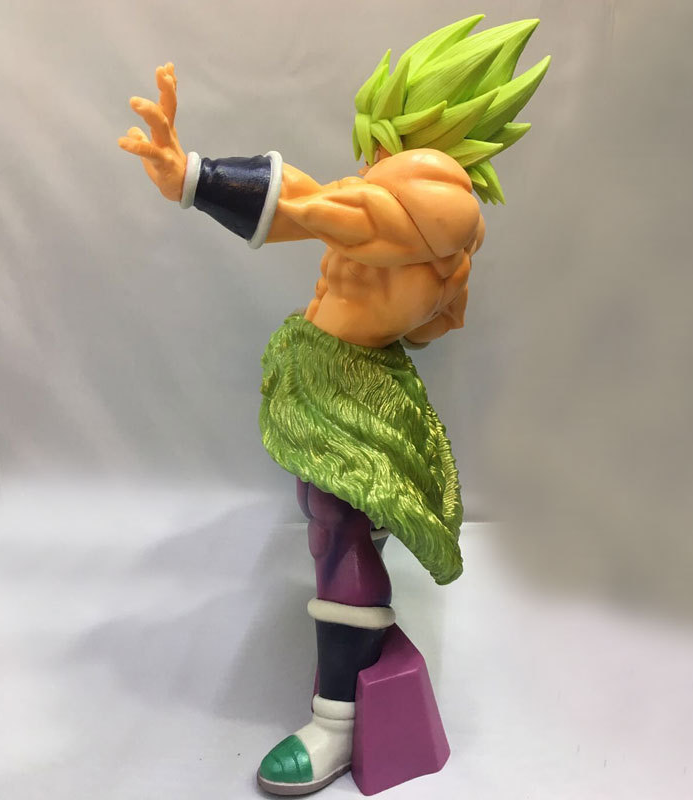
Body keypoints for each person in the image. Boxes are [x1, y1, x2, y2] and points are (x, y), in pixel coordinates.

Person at [119, 15, 548, 795]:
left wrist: (196, 178)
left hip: (354, 375)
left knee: (337, 523)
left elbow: (322, 210)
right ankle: (354, 603)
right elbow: (356, 236)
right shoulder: (406, 183)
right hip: (327, 362)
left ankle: (338, 724)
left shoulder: (437, 194)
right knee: (325, 514)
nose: (373, 147)